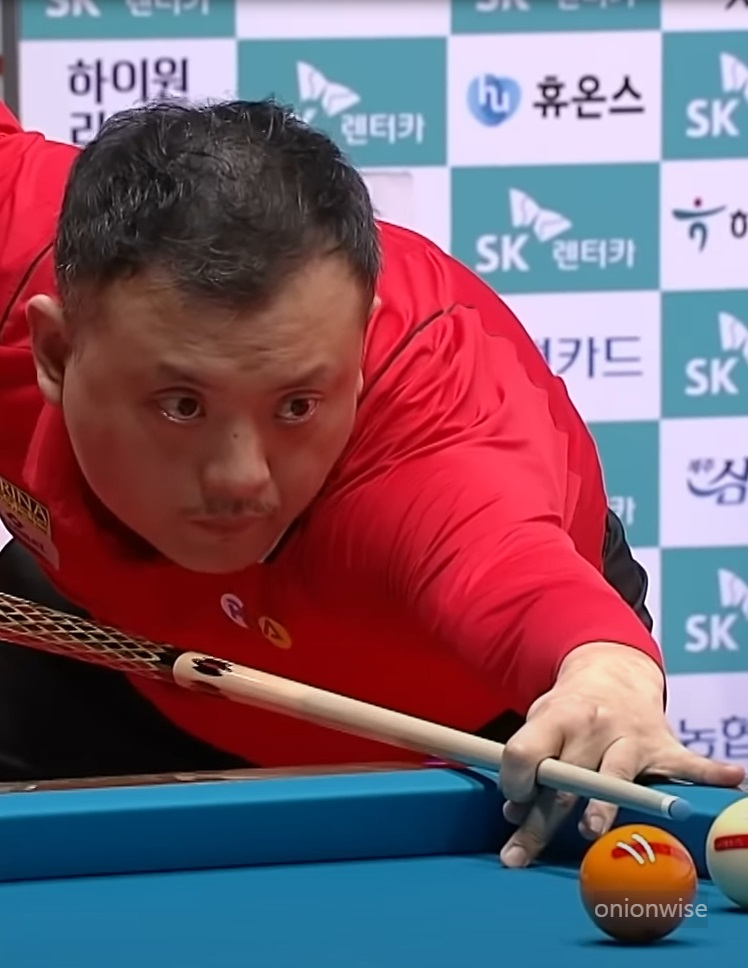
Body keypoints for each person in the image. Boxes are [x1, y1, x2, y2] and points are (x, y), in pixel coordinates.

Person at [0, 99, 742, 866]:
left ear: (356, 356)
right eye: (181, 405)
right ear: (55, 352)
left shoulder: (436, 447)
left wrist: (608, 674)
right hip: (106, 644)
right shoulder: (12, 242)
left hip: (466, 721)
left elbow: (523, 583)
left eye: (297, 405)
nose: (241, 479)